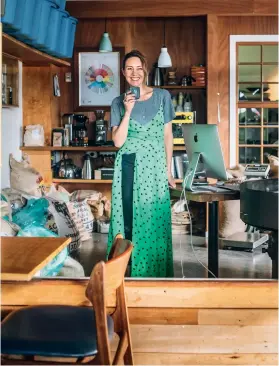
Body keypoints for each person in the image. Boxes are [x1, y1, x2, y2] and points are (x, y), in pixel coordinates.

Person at [107, 49, 176, 278]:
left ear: (145, 70)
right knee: (128, 221)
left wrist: (168, 170)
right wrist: (128, 111)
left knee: (154, 217)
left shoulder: (162, 96)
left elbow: (168, 136)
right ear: (123, 73)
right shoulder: (118, 102)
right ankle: (124, 274)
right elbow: (118, 141)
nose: (134, 73)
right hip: (128, 165)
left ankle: (153, 274)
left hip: (155, 166)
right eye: (129, 68)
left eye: (138, 68)